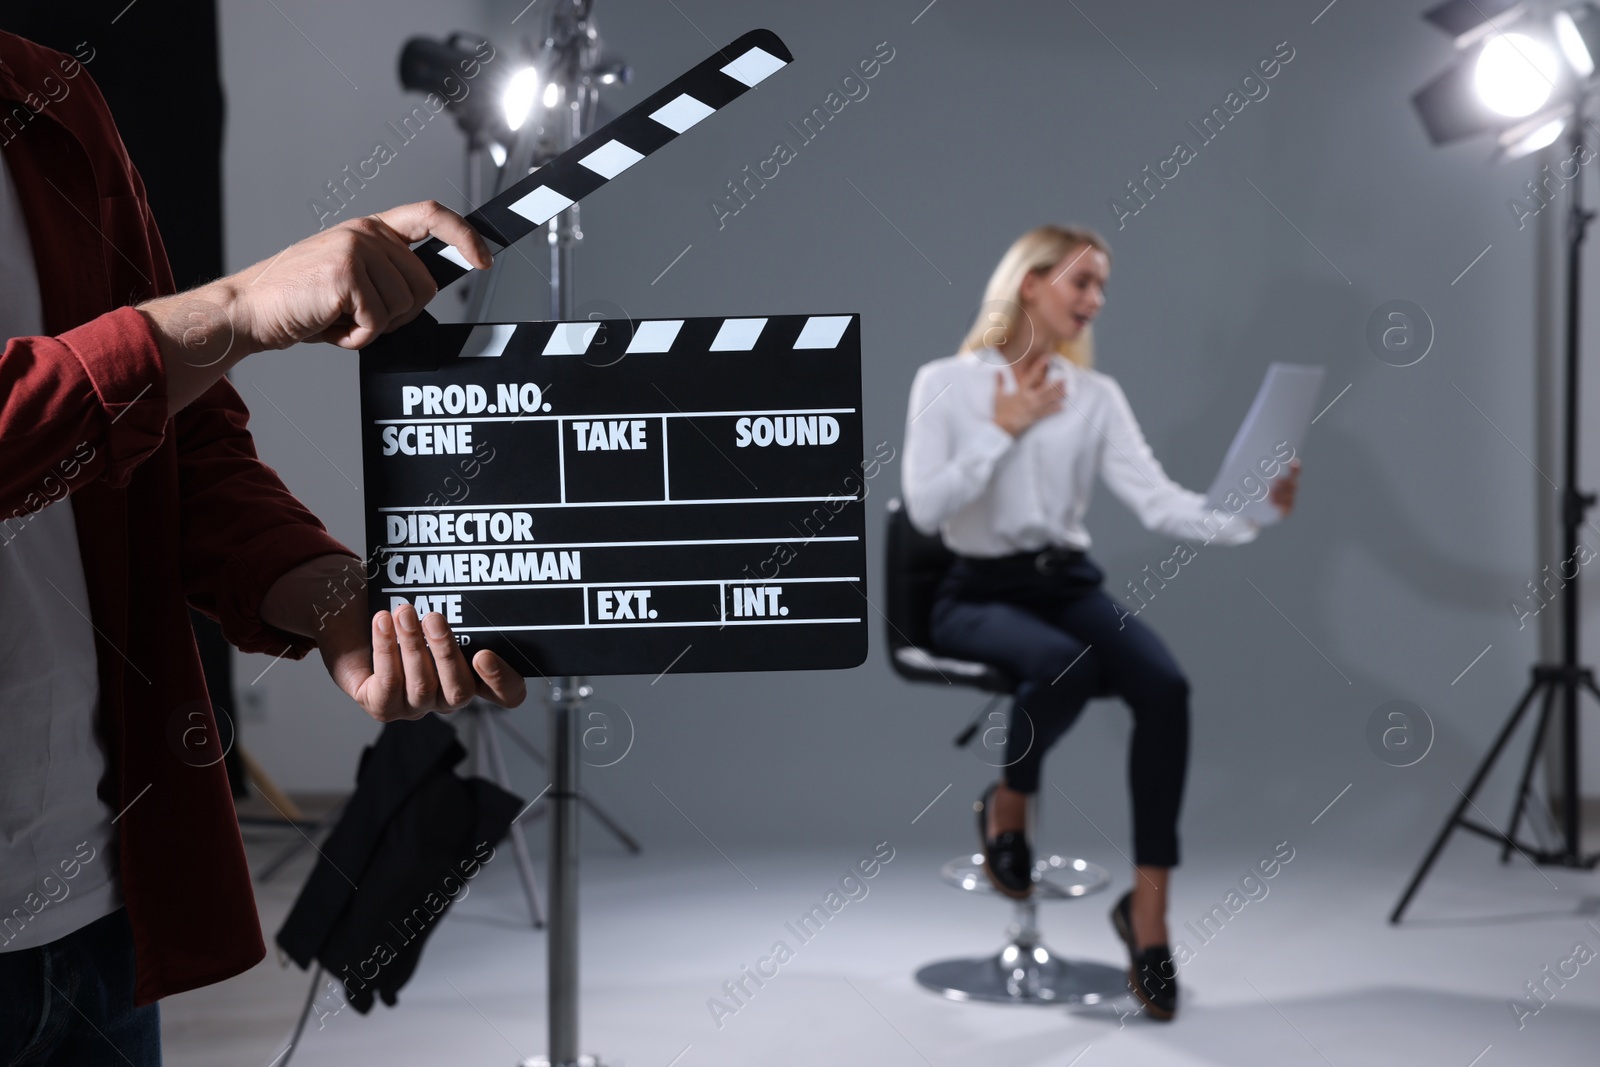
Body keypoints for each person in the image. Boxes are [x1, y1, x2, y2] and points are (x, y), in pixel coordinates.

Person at [0, 30, 521, 1065]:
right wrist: (236, 309)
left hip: (93, 890)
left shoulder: (49, 98)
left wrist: (333, 601)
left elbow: (170, 442)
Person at [901, 224, 1299, 1020]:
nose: (1095, 302)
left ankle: (1147, 914)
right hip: (975, 591)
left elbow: (1158, 500)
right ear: (1030, 284)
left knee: (1166, 686)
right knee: (1062, 667)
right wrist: (1001, 427)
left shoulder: (1096, 397)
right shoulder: (944, 383)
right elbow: (926, 508)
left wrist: (1250, 513)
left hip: (1067, 586)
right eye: (1082, 284)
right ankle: (1007, 804)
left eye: (1103, 289)